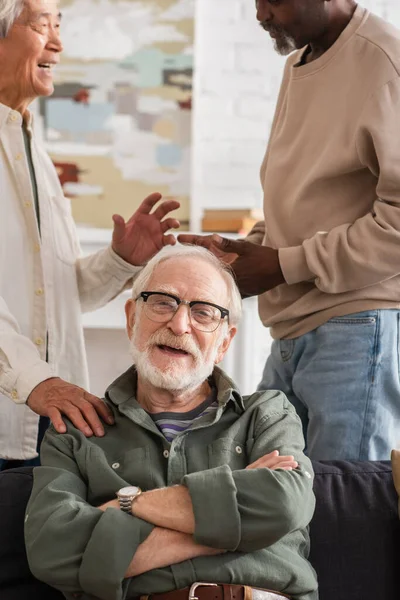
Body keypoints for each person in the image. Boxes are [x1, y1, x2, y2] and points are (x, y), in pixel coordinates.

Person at [24, 245, 318, 600]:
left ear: (225, 340)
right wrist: (233, 529)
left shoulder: (268, 414)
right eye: (163, 302)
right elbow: (52, 551)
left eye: (203, 312)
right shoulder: (75, 432)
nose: (179, 325)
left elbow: (284, 505)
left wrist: (128, 505)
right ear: (132, 317)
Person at [179, 0, 400, 461]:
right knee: (280, 504)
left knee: (345, 511)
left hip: (357, 328)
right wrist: (245, 253)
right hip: (293, 330)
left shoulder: (384, 61)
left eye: (274, 0)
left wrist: (282, 265)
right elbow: (306, 205)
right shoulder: (302, 61)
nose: (261, 15)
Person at [0, 0, 180, 468]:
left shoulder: (30, 147)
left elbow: (57, 298)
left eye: (60, 26)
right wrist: (36, 380)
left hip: (47, 421)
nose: (58, 43)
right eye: (42, 26)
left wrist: (121, 260)